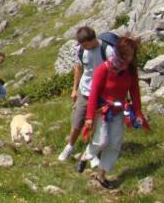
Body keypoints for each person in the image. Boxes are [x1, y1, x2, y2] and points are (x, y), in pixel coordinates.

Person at [77, 36, 147, 189]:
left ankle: (101, 175)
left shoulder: (130, 70)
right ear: (120, 52)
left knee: (114, 143)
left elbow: (134, 91)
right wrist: (89, 117)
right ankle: (86, 156)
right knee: (102, 140)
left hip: (119, 110)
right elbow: (94, 93)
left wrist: (138, 112)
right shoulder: (104, 68)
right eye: (127, 54)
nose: (130, 58)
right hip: (103, 110)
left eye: (132, 54)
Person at [58, 26, 113, 162]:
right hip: (85, 91)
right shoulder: (81, 50)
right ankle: (69, 147)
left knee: (98, 124)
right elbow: (78, 68)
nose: (84, 47)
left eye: (86, 44)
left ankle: (93, 151)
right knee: (77, 121)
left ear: (93, 39)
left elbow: (114, 73)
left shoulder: (107, 50)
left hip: (102, 94)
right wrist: (74, 89)